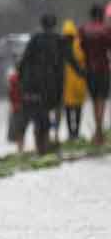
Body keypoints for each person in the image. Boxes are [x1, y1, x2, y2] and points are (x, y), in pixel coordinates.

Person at [20, 13, 83, 154]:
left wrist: (22, 81)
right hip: (55, 86)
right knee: (52, 113)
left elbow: (24, 61)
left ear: (42, 24)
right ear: (54, 24)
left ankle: (41, 146)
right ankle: (50, 141)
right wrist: (84, 74)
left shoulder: (35, 40)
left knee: (40, 116)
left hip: (38, 85)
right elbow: (71, 60)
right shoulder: (60, 41)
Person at [78, 5, 111, 145]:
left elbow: (82, 47)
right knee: (102, 99)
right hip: (103, 68)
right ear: (102, 15)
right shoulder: (106, 30)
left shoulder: (83, 29)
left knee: (94, 100)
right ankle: (99, 131)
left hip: (90, 70)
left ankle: (98, 132)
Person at [60, 19, 87, 142]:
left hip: (68, 82)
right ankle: (75, 132)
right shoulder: (80, 43)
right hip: (79, 81)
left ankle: (71, 133)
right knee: (77, 109)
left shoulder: (62, 45)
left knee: (69, 109)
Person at [7, 60, 26, 153]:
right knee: (21, 130)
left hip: (15, 107)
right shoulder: (24, 78)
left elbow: (10, 95)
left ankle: (20, 150)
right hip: (23, 106)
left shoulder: (12, 79)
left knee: (19, 130)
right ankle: (20, 149)